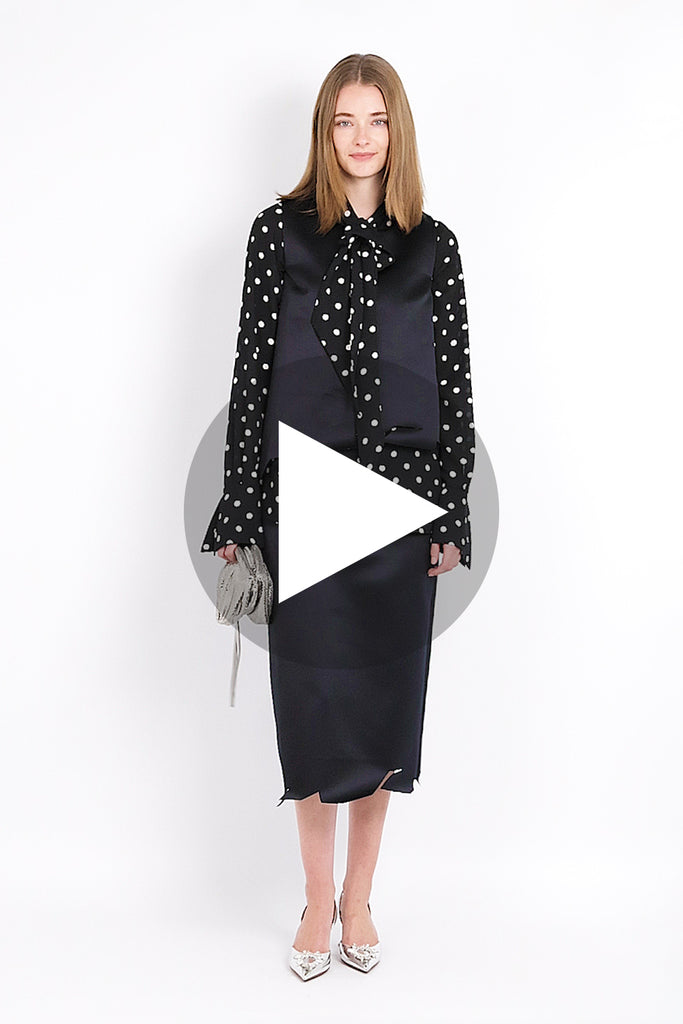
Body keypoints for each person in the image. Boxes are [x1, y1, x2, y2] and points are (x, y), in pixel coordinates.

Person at [201, 53, 475, 980]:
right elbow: (250, 372)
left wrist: (449, 516)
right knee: (315, 713)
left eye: (377, 121)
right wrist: (240, 504)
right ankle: (316, 899)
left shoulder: (433, 247)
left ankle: (360, 898)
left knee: (383, 716)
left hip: (398, 508)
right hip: (303, 504)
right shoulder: (279, 232)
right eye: (344, 121)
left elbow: (453, 384)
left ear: (397, 132)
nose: (361, 138)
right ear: (324, 132)